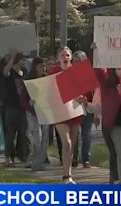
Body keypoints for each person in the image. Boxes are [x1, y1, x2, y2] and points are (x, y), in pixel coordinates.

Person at [85, 67, 121, 184]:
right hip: (117, 128)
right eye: (118, 69)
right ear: (113, 70)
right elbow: (99, 71)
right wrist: (97, 51)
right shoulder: (108, 85)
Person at [49, 46, 84, 184]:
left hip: (74, 111)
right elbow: (46, 90)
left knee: (72, 145)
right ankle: (65, 176)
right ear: (58, 58)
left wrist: (83, 98)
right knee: (67, 142)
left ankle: (69, 175)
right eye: (63, 55)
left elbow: (84, 90)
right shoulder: (53, 73)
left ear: (71, 57)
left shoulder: (77, 72)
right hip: (59, 112)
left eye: (68, 55)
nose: (65, 57)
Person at [21, 57, 49, 171]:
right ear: (35, 67)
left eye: (44, 66)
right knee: (36, 137)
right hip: (32, 113)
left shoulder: (47, 79)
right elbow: (23, 98)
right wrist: (29, 103)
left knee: (45, 138)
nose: (43, 68)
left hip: (45, 112)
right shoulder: (29, 80)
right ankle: (35, 162)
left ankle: (40, 161)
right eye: (40, 66)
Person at [2, 52, 28, 167]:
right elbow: (5, 73)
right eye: (23, 59)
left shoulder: (25, 72)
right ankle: (8, 157)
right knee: (10, 134)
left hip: (23, 107)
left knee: (23, 134)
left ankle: (23, 155)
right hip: (11, 107)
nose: (25, 61)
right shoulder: (10, 72)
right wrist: (11, 59)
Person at [72, 50, 93, 168]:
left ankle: (86, 159)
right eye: (75, 61)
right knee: (74, 135)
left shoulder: (89, 75)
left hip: (87, 109)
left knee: (87, 135)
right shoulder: (69, 74)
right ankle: (73, 158)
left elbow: (94, 93)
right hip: (74, 108)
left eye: (80, 61)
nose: (77, 63)